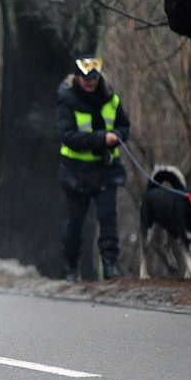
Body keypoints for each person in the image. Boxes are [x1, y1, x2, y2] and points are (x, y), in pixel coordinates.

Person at [56, 56, 131, 281]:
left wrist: (117, 136)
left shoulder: (112, 100)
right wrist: (101, 138)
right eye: (86, 79)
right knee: (75, 224)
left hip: (107, 170)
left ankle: (110, 266)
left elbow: (124, 126)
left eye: (94, 79)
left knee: (108, 218)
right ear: (77, 78)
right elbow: (68, 136)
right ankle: (72, 268)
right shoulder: (67, 101)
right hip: (76, 173)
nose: (90, 83)